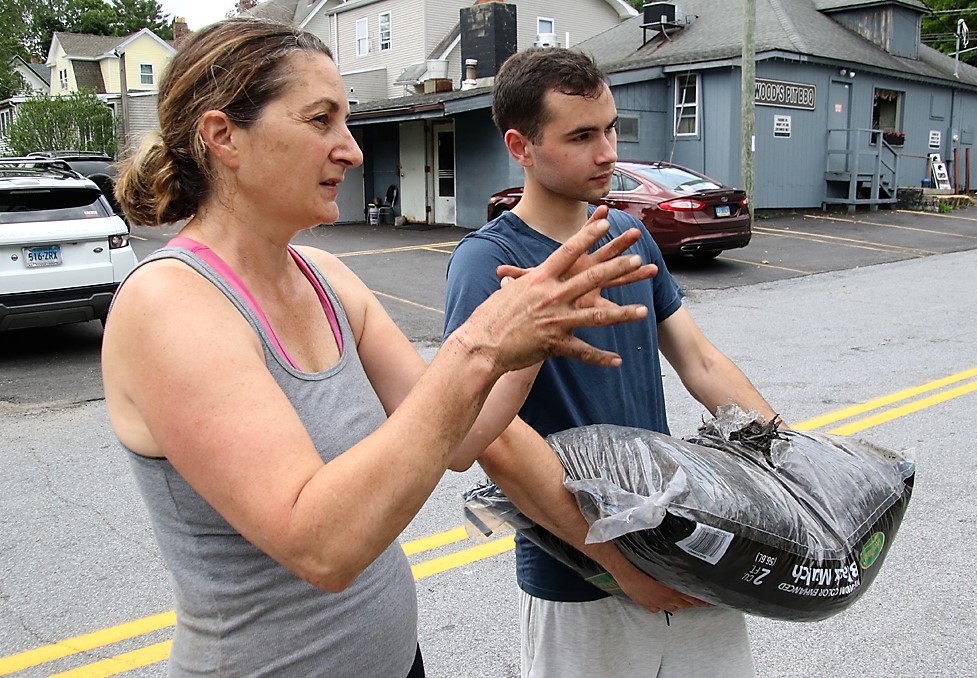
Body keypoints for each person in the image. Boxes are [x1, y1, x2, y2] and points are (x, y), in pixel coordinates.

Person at [101, 18, 662, 678]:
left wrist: (531, 337)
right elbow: (324, 547)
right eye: (321, 121)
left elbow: (457, 439)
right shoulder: (171, 303)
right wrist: (481, 344)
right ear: (224, 136)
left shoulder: (326, 276)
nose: (352, 150)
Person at [443, 48, 784, 678]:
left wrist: (786, 464)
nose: (607, 153)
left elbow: (701, 361)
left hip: (678, 544)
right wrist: (624, 570)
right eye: (580, 136)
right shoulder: (486, 263)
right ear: (521, 146)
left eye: (611, 129)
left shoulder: (628, 233)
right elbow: (483, 441)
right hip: (580, 579)